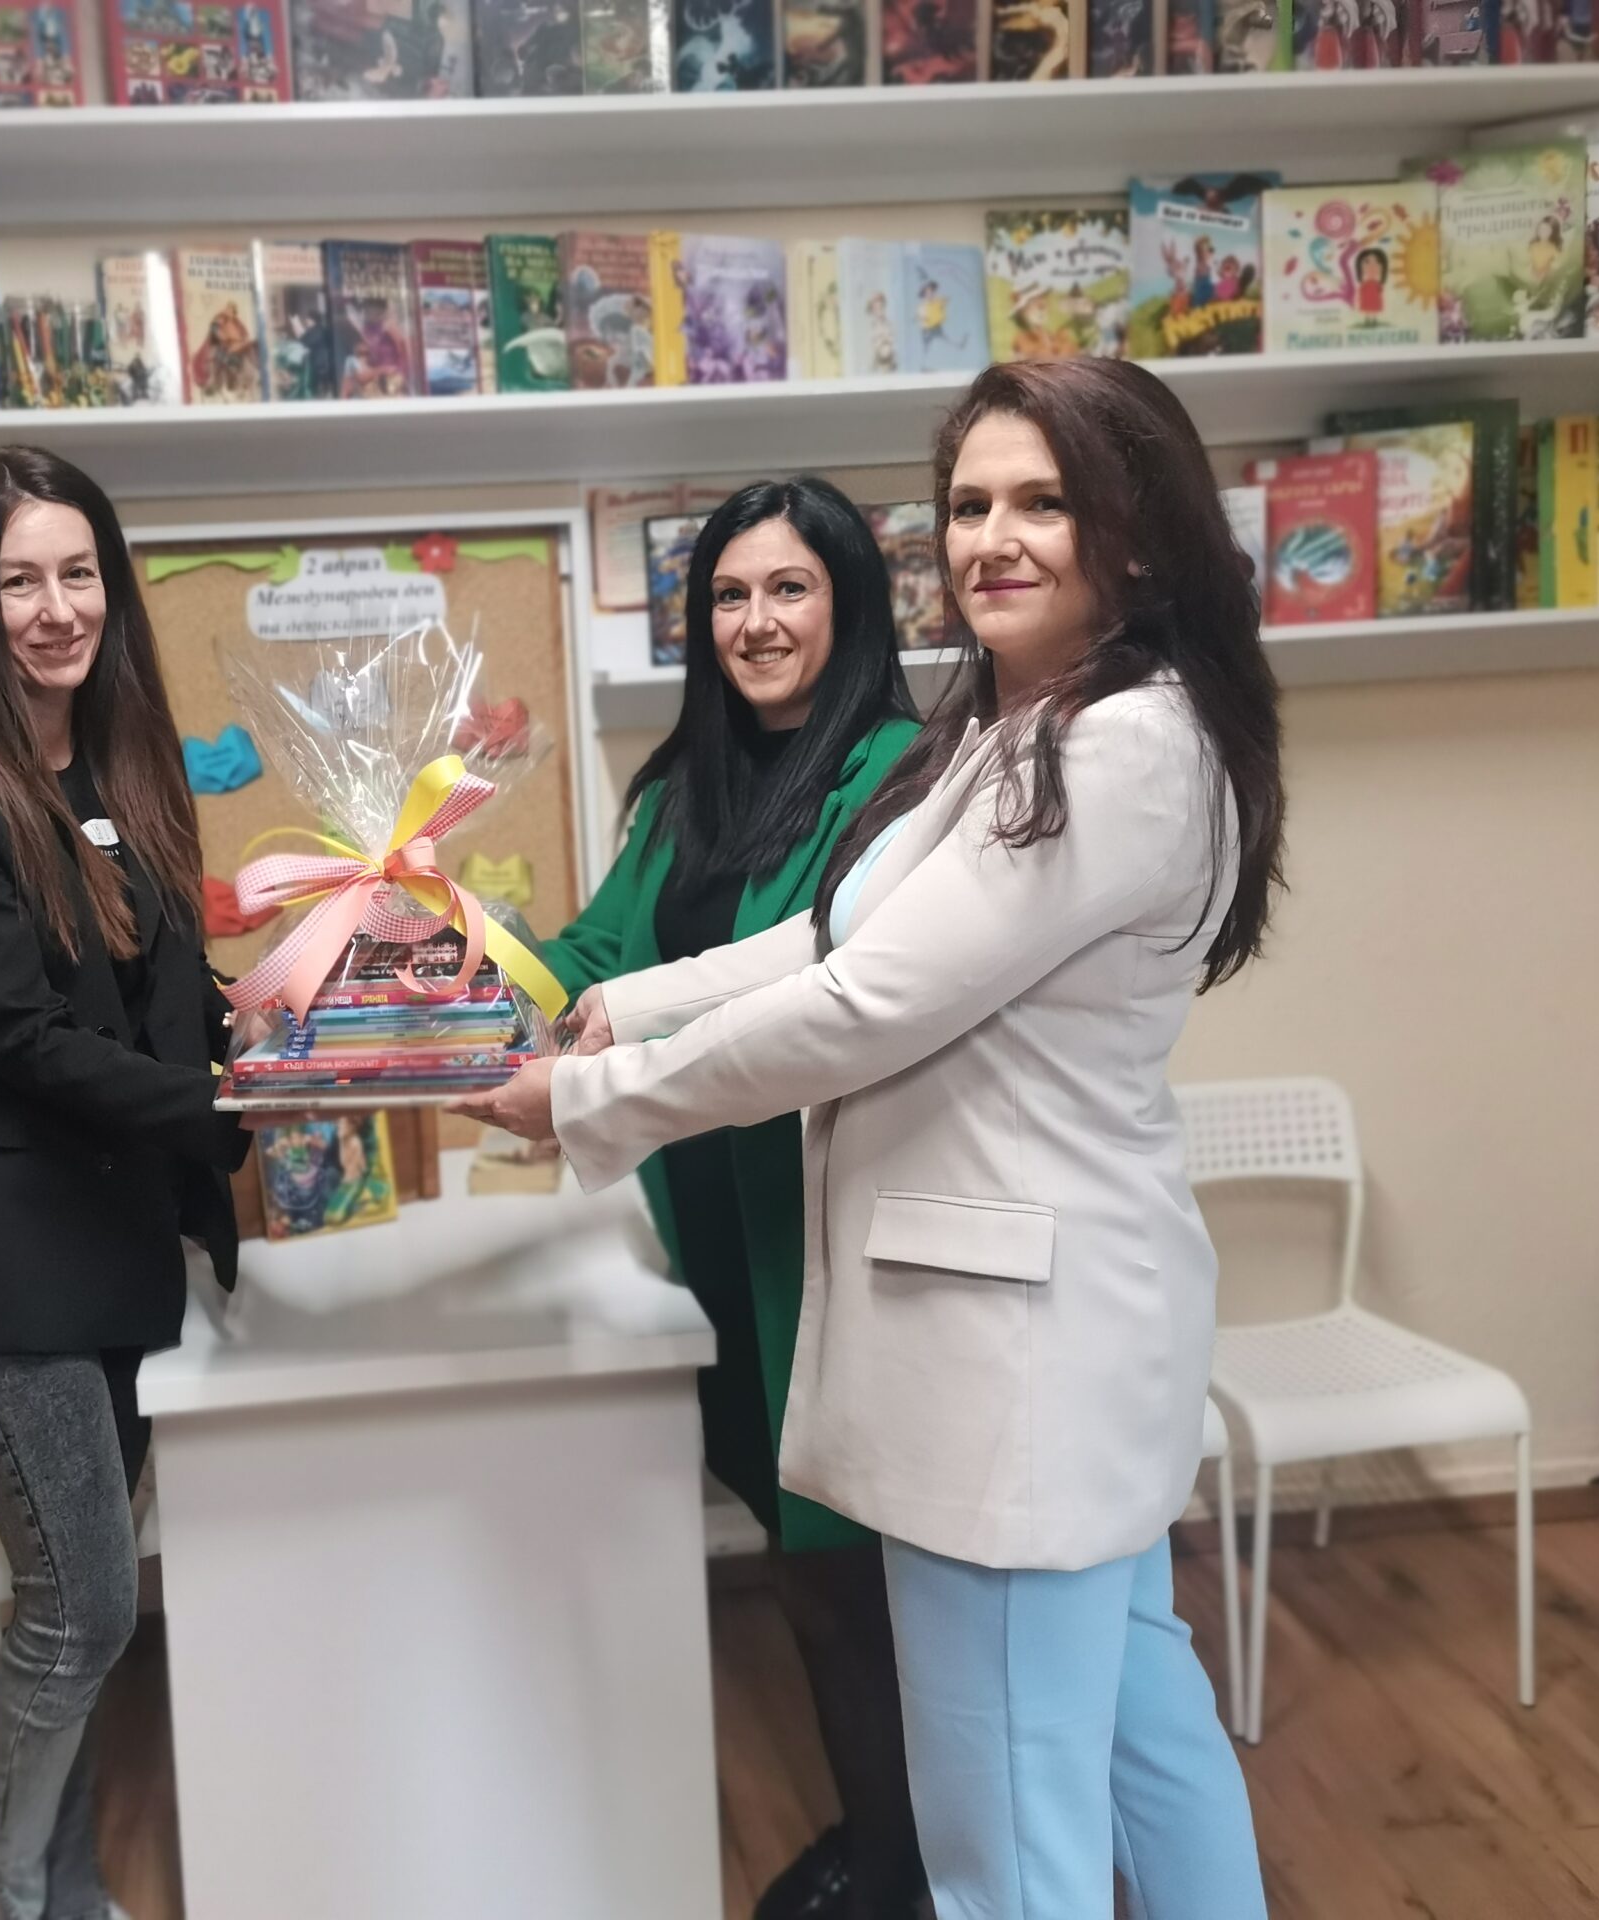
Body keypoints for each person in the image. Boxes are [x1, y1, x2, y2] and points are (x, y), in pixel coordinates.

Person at [460, 359, 1285, 1919]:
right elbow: (835, 934)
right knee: (1144, 1744)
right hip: (1054, 1341)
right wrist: (619, 1010)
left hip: (1012, 1361)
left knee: (1004, 1853)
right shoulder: (1018, 724)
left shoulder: (1115, 747)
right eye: (969, 504)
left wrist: (584, 1104)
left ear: (1138, 529)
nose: (992, 539)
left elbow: (865, 1005)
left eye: (1043, 502)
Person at [0, 444, 251, 1920]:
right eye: (17, 581)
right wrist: (228, 1101)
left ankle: (69, 1894)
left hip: (119, 1249)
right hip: (9, 1266)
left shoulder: (121, 765)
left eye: (77, 572)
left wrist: (279, 1023)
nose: (56, 608)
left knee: (75, 1616)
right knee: (83, 1613)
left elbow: (161, 992)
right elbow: (24, 1039)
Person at [539, 477, 923, 1920]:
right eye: (728, 596)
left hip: (825, 1229)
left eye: (788, 589)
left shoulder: (899, 775)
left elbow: (825, 988)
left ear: (849, 604)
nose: (755, 622)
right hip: (707, 1215)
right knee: (799, 1549)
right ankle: (888, 1837)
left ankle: (904, 1866)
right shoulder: (682, 786)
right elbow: (599, 953)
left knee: (849, 1575)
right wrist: (451, 953)